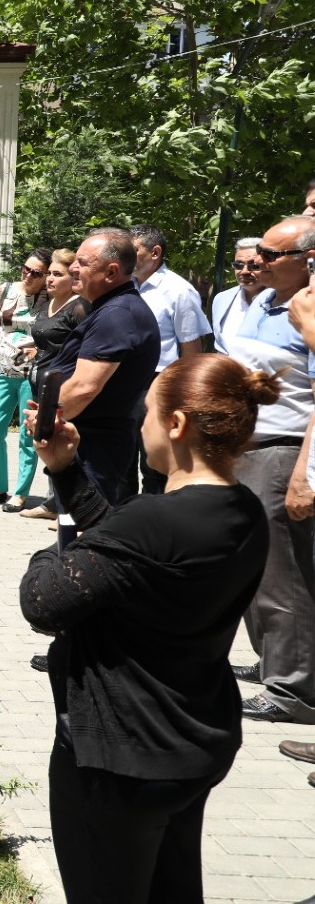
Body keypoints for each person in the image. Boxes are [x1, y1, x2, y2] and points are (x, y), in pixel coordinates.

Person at [21, 354, 273, 904]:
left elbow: (43, 603)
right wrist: (65, 469)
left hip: (121, 757)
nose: (140, 424)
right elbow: (130, 546)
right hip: (191, 744)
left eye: (148, 412)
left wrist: (54, 552)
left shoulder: (154, 521)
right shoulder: (244, 510)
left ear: (176, 424)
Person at [230, 216, 315, 725]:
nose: (256, 260)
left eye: (269, 254)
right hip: (246, 450)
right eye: (257, 250)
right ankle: (272, 662)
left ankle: (294, 689)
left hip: (283, 454)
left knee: (283, 574)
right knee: (253, 568)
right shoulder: (261, 302)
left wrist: (304, 473)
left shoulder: (310, 310)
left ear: (307, 261)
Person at [42, 229, 161, 546]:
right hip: (87, 443)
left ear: (111, 272)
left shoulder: (118, 314)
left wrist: (45, 421)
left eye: (82, 262)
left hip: (95, 449)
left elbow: (84, 387)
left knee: (86, 539)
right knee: (72, 533)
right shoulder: (109, 308)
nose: (73, 268)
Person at [121, 224, 209, 499]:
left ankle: (152, 518)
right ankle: (122, 518)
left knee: (155, 465)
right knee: (121, 461)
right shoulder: (124, 285)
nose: (125, 255)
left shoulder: (179, 291)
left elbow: (191, 350)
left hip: (159, 383)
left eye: (133, 250)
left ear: (155, 252)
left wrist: (184, 397)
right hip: (123, 383)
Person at [0, 249, 50, 511]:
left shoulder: (50, 297)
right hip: (2, 370)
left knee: (27, 435)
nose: (28, 275)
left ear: (46, 275)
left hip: (31, 374)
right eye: (26, 268)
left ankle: (21, 493)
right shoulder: (5, 290)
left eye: (36, 273)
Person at [19, 248, 86, 522]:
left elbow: (83, 347)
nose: (49, 279)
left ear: (73, 278)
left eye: (57, 274)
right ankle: (52, 503)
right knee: (46, 440)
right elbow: (52, 339)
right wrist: (36, 350)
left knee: (62, 444)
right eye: (49, 273)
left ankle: (69, 508)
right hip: (41, 383)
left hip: (64, 386)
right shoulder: (48, 303)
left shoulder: (79, 307)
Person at [211, 238, 265, 355]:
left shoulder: (282, 300)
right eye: (239, 265)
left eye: (254, 266)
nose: (244, 271)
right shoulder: (221, 299)